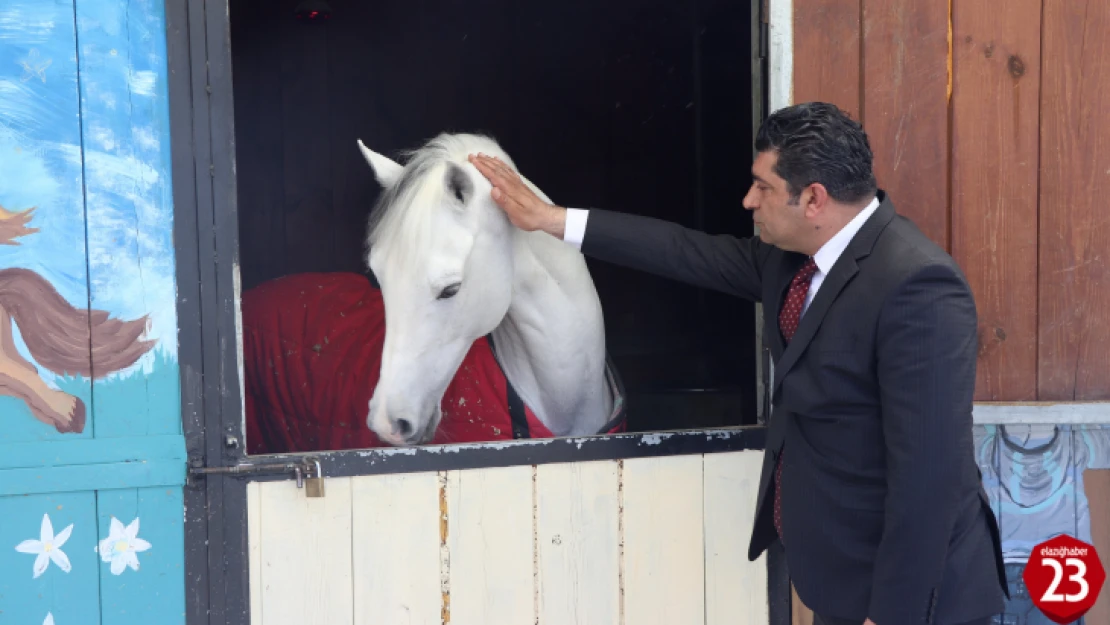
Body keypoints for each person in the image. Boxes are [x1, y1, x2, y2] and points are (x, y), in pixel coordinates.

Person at [469, 101, 1009, 625]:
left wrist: (891, 615)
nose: (749, 200)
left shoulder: (917, 287)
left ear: (814, 200)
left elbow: (928, 479)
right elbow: (682, 251)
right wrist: (550, 219)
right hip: (844, 580)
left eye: (764, 187)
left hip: (919, 601)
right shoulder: (788, 260)